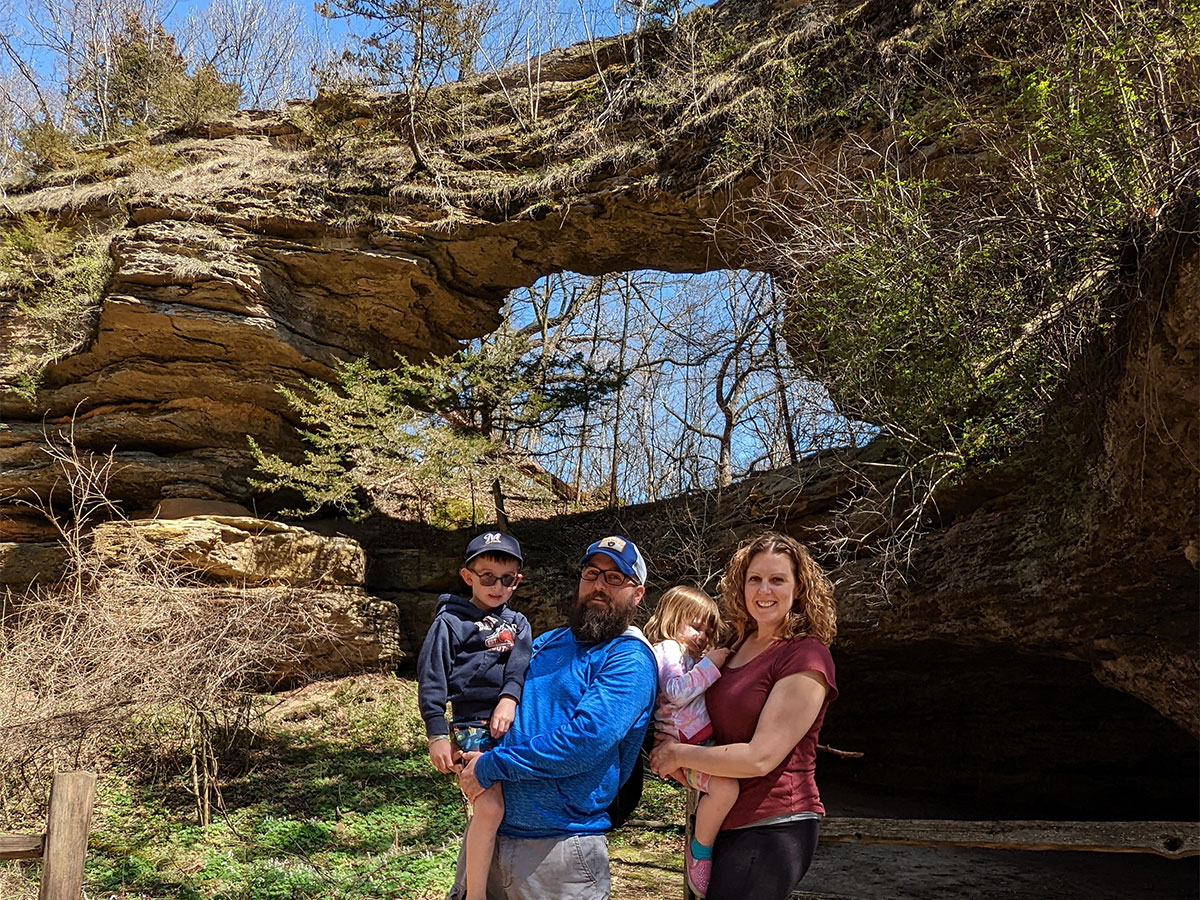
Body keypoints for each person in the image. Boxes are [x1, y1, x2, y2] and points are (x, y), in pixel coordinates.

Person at [453, 535, 658, 900]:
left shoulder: (629, 658)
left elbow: (585, 740)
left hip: (560, 851)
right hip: (488, 832)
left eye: (615, 578)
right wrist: (455, 737)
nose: (599, 585)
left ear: (637, 594)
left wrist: (489, 766)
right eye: (592, 573)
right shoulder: (547, 641)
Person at [650, 531, 837, 900]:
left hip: (774, 823)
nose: (764, 590)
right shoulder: (732, 647)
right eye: (755, 579)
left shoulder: (805, 657)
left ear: (799, 589)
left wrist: (678, 754)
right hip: (725, 819)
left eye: (777, 579)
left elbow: (759, 757)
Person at [417, 531, 532, 900]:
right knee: (490, 806)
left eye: (507, 579)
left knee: (503, 809)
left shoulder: (518, 624)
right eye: (487, 577)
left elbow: (519, 668)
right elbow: (432, 679)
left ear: (517, 580)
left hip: (514, 725)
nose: (497, 587)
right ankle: (475, 894)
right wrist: (437, 734)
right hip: (471, 725)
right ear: (468, 577)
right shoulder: (450, 622)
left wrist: (509, 699)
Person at [643, 586, 738, 897]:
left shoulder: (689, 655)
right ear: (673, 619)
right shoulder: (668, 649)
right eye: (696, 626)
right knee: (726, 787)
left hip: (699, 745)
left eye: (708, 631)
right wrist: (711, 665)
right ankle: (701, 848)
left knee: (728, 786)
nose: (702, 636)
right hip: (685, 747)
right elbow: (675, 691)